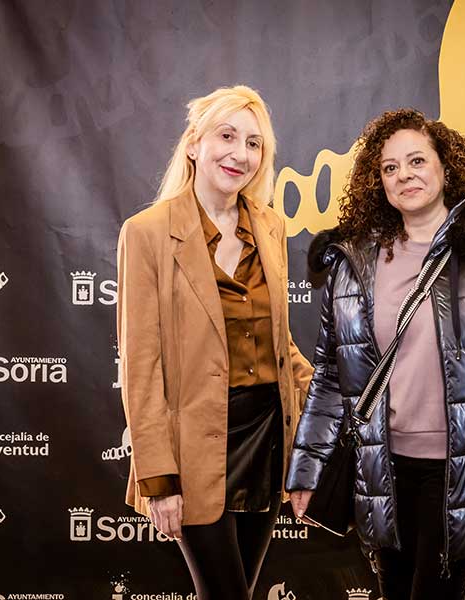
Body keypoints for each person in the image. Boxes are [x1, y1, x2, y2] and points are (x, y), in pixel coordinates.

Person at [286, 108, 465, 600]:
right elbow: (329, 376)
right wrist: (307, 468)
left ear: (445, 168)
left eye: (417, 161)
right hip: (380, 469)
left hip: (460, 471)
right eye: (390, 167)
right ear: (378, 181)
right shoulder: (353, 260)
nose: (404, 175)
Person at [116, 85, 313, 600]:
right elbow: (140, 366)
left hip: (267, 438)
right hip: (195, 449)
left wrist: (332, 398)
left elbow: (280, 346)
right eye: (226, 136)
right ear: (193, 144)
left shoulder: (270, 226)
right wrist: (158, 477)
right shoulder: (146, 233)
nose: (239, 154)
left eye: (254, 143)